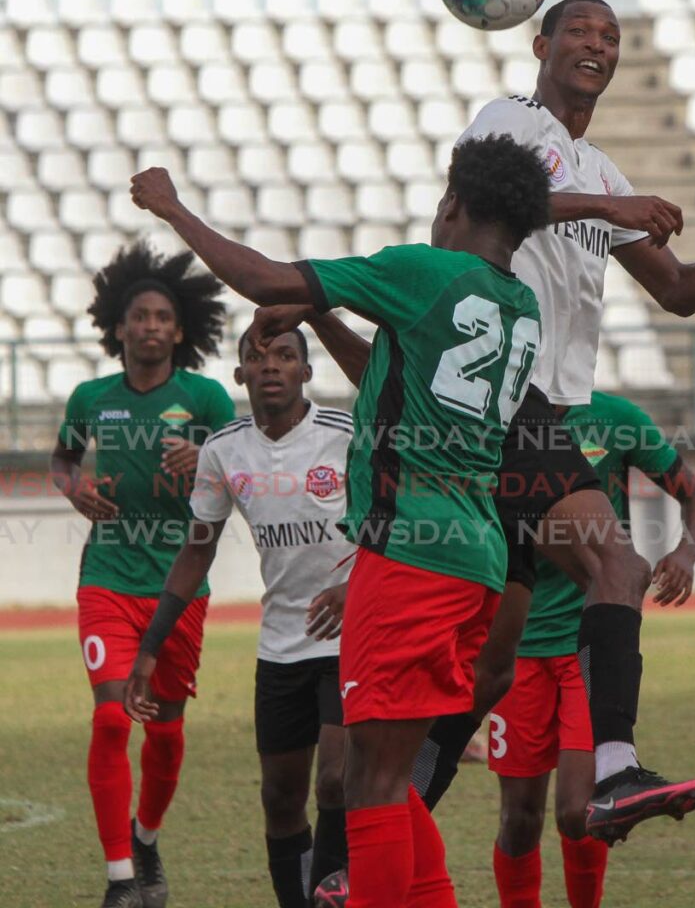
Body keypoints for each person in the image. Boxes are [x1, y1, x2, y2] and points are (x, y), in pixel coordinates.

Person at [407, 0, 695, 844]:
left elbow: (680, 292)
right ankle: (615, 772)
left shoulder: (603, 170)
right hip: (497, 400)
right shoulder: (507, 119)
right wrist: (602, 210)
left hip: (541, 408)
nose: (597, 44)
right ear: (540, 42)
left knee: (486, 669)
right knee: (615, 568)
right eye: (580, 30)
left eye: (611, 37)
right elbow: (474, 211)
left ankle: (366, 840)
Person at [128, 133, 552, 908]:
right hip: (475, 559)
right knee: (385, 772)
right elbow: (398, 377)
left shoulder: (425, 271)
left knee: (372, 783)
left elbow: (261, 279)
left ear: (451, 203)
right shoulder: (520, 304)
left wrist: (171, 209)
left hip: (408, 557)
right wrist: (324, 314)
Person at [124, 323, 355, 907]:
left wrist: (357, 588)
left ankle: (334, 896)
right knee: (280, 798)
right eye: (257, 357)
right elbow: (198, 547)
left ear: (306, 371)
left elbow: (397, 523)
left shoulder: (346, 435)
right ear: (241, 375)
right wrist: (151, 645)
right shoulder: (225, 450)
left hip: (351, 638)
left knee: (335, 780)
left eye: (284, 356)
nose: (271, 365)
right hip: (280, 645)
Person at [50, 241, 235, 908]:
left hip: (179, 589)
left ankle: (147, 837)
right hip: (106, 576)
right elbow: (63, 460)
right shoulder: (90, 397)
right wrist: (72, 489)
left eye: (162, 317)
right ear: (119, 328)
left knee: (165, 732)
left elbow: (242, 471)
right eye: (140, 317)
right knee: (109, 723)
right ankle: (121, 878)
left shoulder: (207, 398)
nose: (151, 326)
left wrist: (207, 457)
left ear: (180, 330)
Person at [488, 390, 695, 907]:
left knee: (576, 812)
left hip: (584, 646)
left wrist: (686, 551)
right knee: (518, 820)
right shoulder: (491, 413)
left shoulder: (614, 418)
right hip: (515, 646)